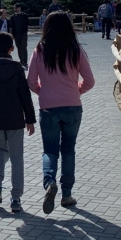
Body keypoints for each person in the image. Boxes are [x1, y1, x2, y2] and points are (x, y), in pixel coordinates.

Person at [27, 12, 95, 213]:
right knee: (68, 150)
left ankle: (49, 183)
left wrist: (43, 91)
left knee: (50, 150)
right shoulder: (75, 50)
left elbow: (31, 81)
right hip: (73, 106)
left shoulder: (40, 50)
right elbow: (90, 81)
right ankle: (66, 194)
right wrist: (77, 90)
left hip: (48, 107)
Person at [0, 32, 36, 213]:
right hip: (15, 118)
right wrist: (30, 119)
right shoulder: (17, 68)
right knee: (16, 157)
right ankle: (15, 197)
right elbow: (24, 95)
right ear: (12, 49)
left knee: (0, 150)